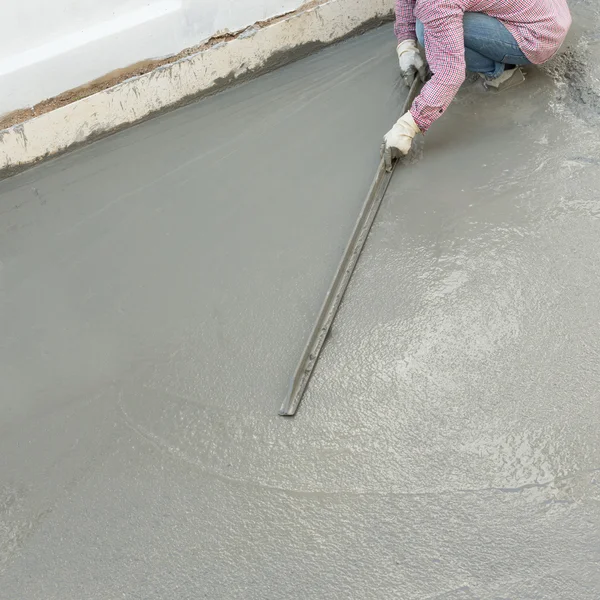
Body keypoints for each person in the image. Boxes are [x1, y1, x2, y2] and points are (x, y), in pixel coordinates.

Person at [382, 0, 572, 160]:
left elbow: (450, 73)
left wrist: (409, 125)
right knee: (431, 22)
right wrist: (405, 44)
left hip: (539, 35)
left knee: (425, 30)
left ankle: (502, 73)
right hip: (550, 10)